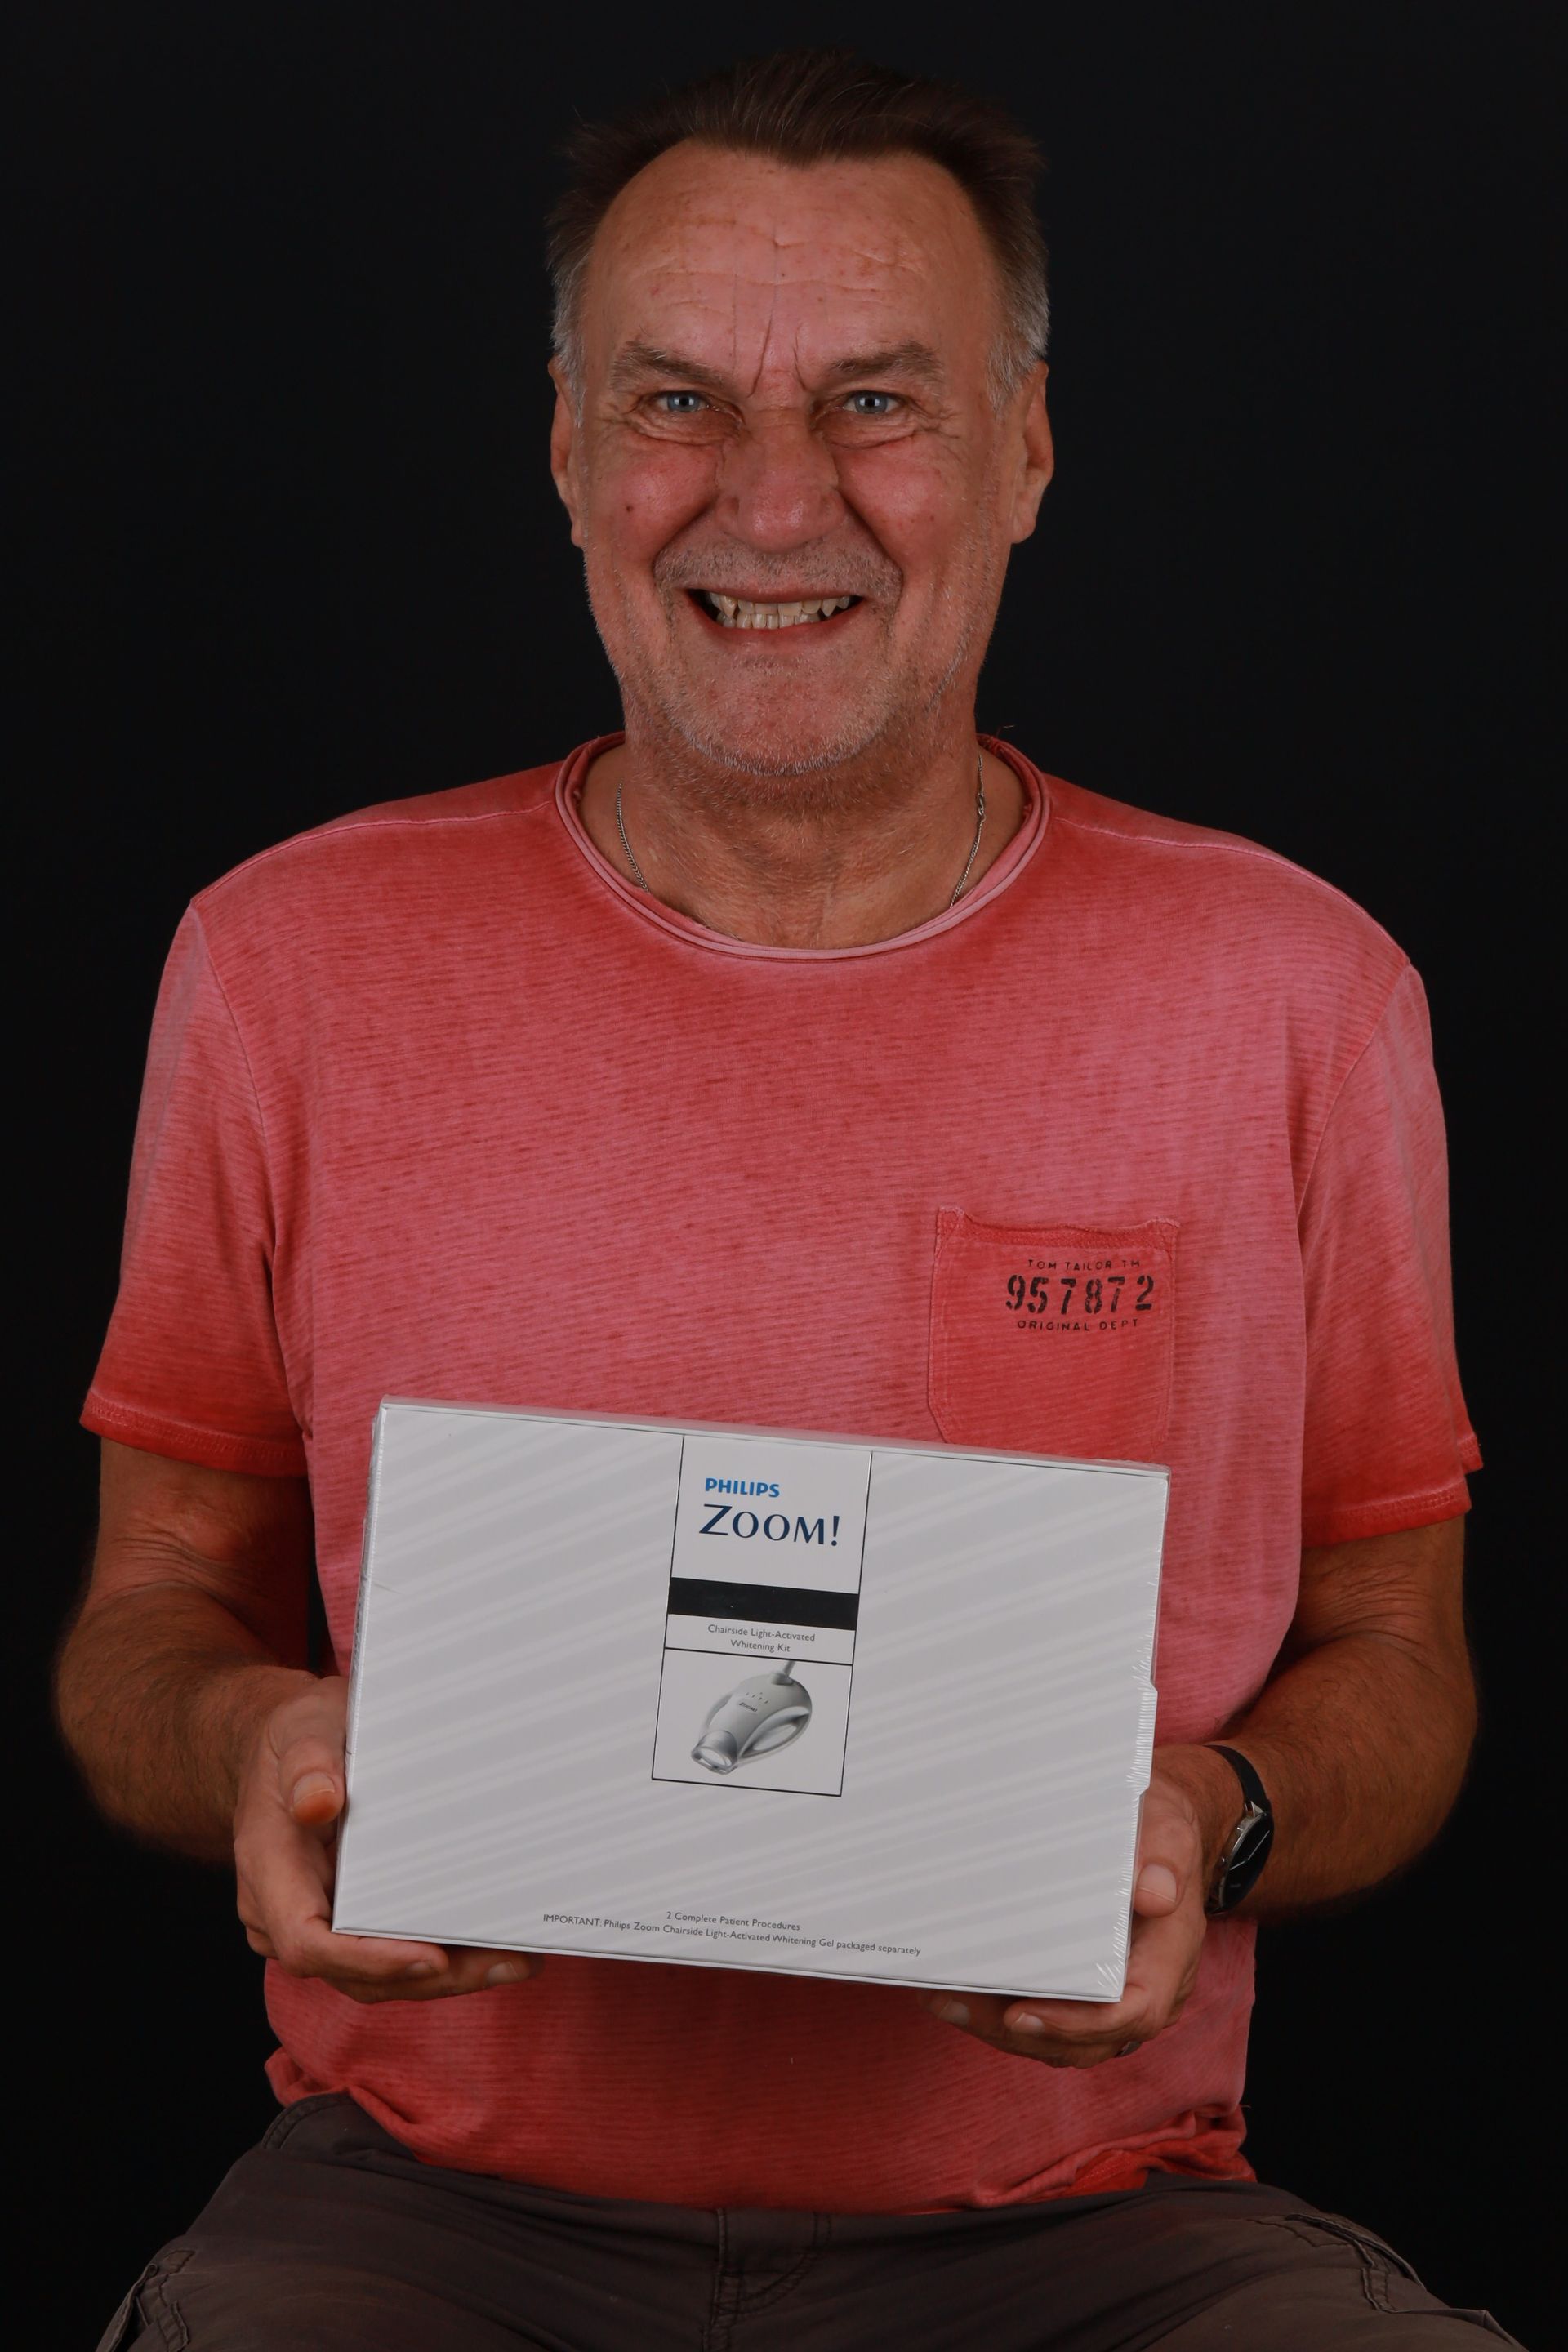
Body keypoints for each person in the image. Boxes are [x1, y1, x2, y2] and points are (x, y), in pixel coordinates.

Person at [60, 46, 1512, 2352]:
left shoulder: (1297, 994)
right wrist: (250, 1742)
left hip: (1102, 2235)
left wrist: (1215, 1816)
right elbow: (141, 1613)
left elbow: (1404, 1655)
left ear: (1026, 450)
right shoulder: (288, 962)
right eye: (673, 404)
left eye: (873, 404)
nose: (770, 499)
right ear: (563, 450)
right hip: (421, 2218)